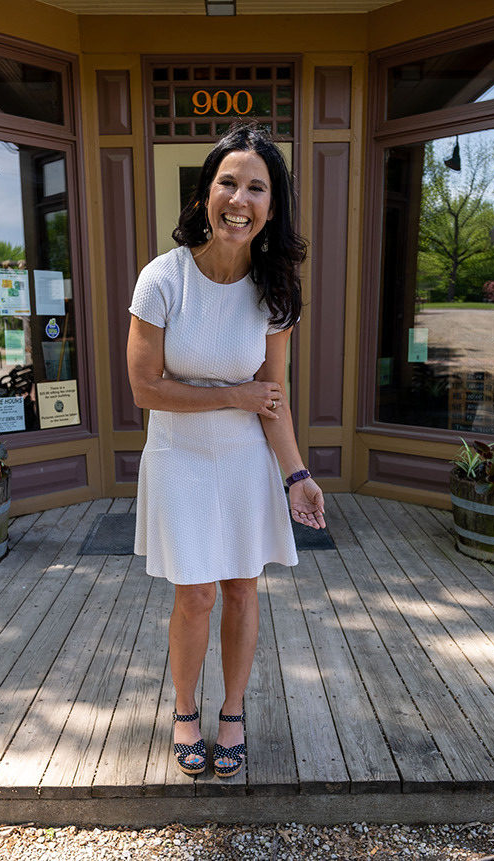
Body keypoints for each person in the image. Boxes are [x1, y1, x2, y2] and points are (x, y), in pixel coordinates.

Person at [127, 122, 325, 780]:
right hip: (179, 455)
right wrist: (231, 396)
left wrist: (296, 473)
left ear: (272, 207)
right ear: (205, 196)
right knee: (196, 595)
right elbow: (145, 388)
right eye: (228, 183)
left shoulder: (274, 291)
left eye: (256, 188)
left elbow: (272, 395)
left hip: (244, 460)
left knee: (241, 588)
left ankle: (232, 710)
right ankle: (186, 709)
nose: (239, 198)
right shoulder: (163, 280)